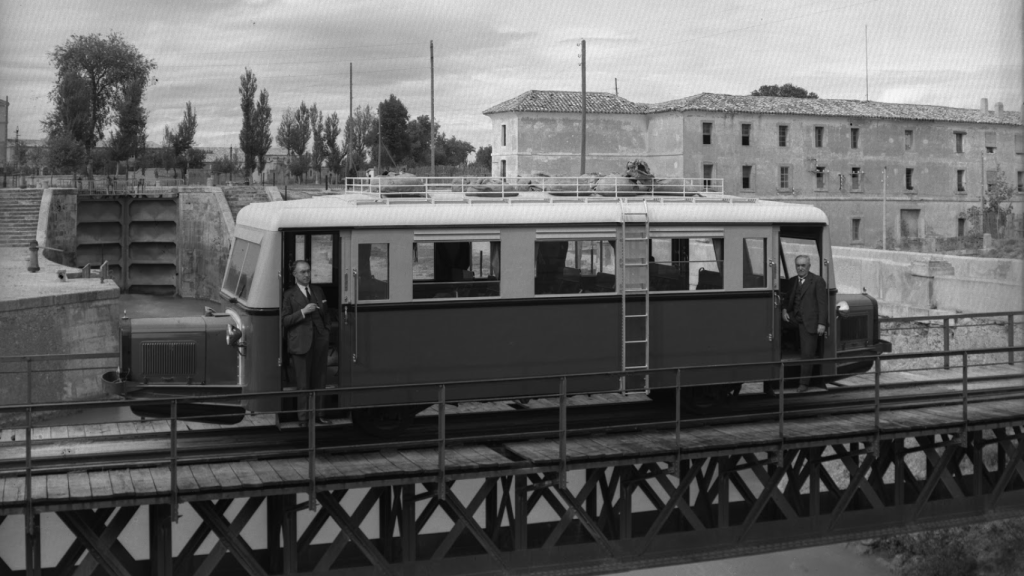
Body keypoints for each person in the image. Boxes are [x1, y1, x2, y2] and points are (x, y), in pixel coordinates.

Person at [282, 260, 330, 424]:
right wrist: (303, 311)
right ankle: (303, 418)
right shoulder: (289, 294)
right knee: (303, 383)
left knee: (320, 379)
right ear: (295, 274)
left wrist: (326, 331)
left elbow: (326, 313)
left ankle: (319, 415)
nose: (307, 275)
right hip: (300, 342)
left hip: (320, 340)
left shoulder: (318, 291)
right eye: (303, 272)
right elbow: (285, 320)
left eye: (308, 271)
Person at [782, 255, 828, 393]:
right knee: (777, 322)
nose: (800, 268)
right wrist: (784, 310)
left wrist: (821, 324)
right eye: (798, 265)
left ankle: (804, 384)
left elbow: (822, 304)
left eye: (803, 265)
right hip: (795, 318)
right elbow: (787, 298)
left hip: (810, 322)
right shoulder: (792, 281)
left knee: (807, 354)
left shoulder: (817, 281)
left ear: (809, 266)